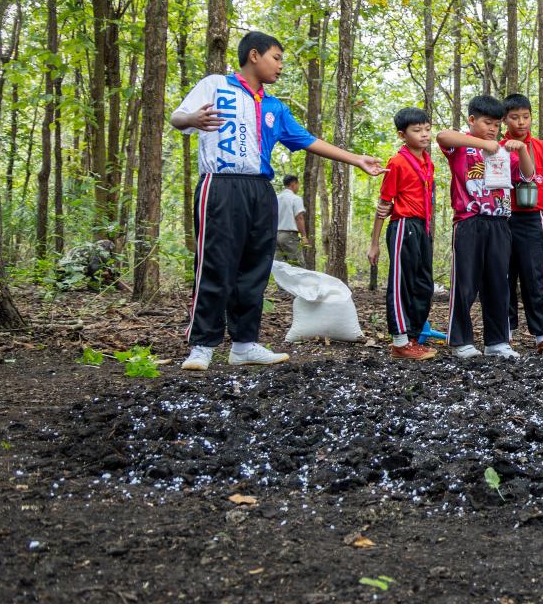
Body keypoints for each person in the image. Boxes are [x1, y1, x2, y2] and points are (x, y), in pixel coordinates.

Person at [171, 31, 385, 371]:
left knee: (255, 268)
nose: (281, 66)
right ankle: (202, 346)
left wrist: (355, 158)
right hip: (221, 184)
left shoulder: (274, 106)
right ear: (254, 56)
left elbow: (307, 139)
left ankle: (245, 344)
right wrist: (193, 119)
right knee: (216, 264)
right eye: (277, 58)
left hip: (260, 189)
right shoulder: (216, 85)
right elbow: (177, 118)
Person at [437, 95, 536, 360]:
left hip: (500, 222)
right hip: (469, 221)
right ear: (472, 120)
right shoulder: (462, 147)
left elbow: (528, 175)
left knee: (498, 284)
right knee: (466, 282)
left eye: (496, 124)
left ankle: (497, 341)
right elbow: (443, 136)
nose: (493, 129)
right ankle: (461, 339)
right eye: (487, 123)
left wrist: (522, 150)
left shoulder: (504, 151)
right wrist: (483, 143)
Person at [366, 108, 438, 361]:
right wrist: (374, 243)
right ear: (402, 135)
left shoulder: (428, 161)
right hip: (403, 226)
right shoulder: (396, 162)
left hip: (423, 227)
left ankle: (414, 337)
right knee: (401, 285)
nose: (424, 135)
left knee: (424, 284)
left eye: (427, 129)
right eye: (417, 131)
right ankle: (399, 340)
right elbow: (384, 204)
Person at [501, 94, 543, 355]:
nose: (521, 122)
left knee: (536, 277)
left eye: (525, 116)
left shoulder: (542, 148)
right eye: (514, 117)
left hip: (533, 217)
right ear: (505, 119)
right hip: (503, 217)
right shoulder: (497, 147)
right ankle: (502, 334)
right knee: (504, 276)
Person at [276, 175, 309, 266]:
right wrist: (303, 237)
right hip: (289, 236)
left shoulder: (276, 198)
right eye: (298, 184)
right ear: (293, 184)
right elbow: (299, 218)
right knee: (298, 265)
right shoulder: (295, 199)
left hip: (275, 235)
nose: (298, 187)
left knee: (279, 267)